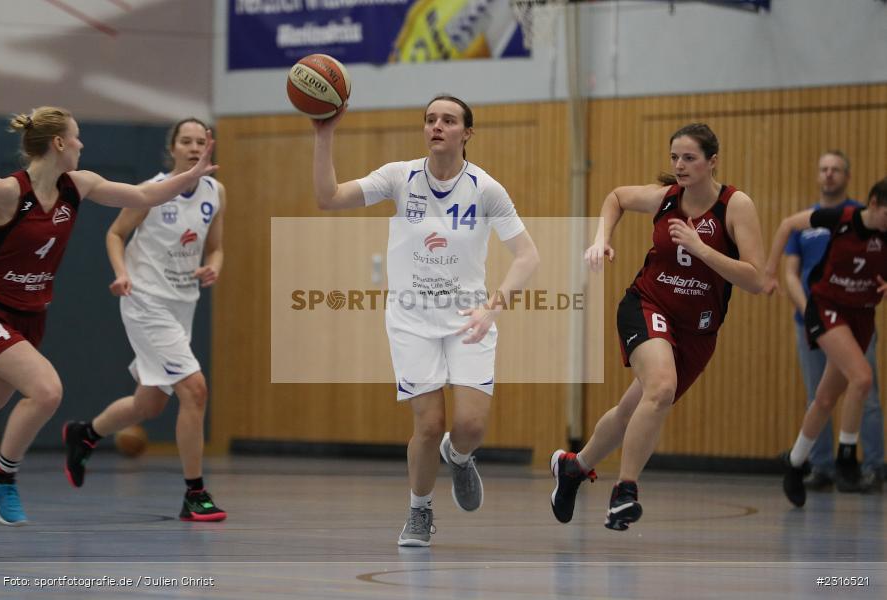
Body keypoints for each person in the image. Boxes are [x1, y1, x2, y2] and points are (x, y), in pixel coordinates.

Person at [311, 95, 539, 546]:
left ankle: (459, 456)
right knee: (429, 423)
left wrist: (493, 306)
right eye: (430, 119)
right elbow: (328, 198)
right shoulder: (400, 177)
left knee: (470, 425)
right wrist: (324, 134)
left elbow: (528, 256)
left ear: (467, 133)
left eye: (449, 120)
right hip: (411, 318)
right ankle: (419, 511)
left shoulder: (485, 188)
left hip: (467, 317)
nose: (437, 126)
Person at [0, 106, 216, 526]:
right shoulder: (6, 191)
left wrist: (193, 174)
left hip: (31, 316)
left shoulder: (79, 184)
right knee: (46, 391)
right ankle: (2, 479)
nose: (81, 144)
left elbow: (145, 196)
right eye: (76, 137)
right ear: (58, 143)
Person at [550, 123, 765, 531]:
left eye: (689, 158)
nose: (680, 166)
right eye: (674, 158)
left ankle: (574, 468)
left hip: (698, 330)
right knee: (662, 387)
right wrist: (601, 238)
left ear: (712, 161)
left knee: (637, 407)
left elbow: (755, 278)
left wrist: (702, 249)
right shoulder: (666, 199)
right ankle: (624, 492)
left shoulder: (735, 206)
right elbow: (616, 197)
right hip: (647, 304)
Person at [62, 118, 226, 522]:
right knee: (195, 390)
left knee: (148, 403)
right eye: (184, 141)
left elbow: (217, 247)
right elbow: (115, 234)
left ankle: (85, 433)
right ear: (172, 148)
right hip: (145, 300)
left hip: (182, 304)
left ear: (210, 147)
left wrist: (213, 266)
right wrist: (121, 273)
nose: (192, 147)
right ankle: (195, 493)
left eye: (199, 141)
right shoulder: (151, 192)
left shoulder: (216, 192)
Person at [764, 178, 887, 507]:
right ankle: (847, 459)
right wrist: (768, 270)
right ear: (874, 204)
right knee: (862, 378)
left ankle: (794, 463)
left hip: (862, 316)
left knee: (825, 398)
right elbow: (788, 223)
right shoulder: (841, 218)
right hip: (827, 308)